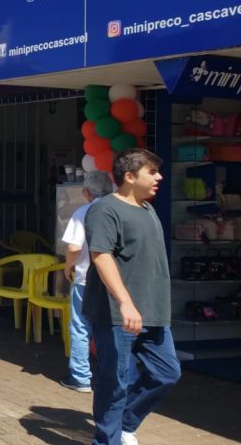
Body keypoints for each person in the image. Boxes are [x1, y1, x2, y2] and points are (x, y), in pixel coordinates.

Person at [84, 149, 179, 445]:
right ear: (129, 176)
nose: (159, 177)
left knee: (167, 373)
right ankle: (107, 440)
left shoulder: (148, 209)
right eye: (152, 172)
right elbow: (101, 256)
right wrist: (125, 302)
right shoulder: (104, 209)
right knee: (114, 383)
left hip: (153, 312)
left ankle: (126, 423)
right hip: (115, 314)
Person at [59, 170, 114, 393]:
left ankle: (81, 376)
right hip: (113, 281)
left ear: (85, 192)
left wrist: (67, 267)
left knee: (81, 327)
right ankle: (111, 374)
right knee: (109, 328)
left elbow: (74, 247)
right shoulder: (117, 211)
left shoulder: (82, 212)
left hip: (85, 279)